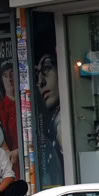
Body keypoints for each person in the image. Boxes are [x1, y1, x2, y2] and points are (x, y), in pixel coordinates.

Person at [35, 48, 64, 188]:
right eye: (36, 76)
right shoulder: (53, 122)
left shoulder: (61, 121)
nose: (41, 82)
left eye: (47, 68)